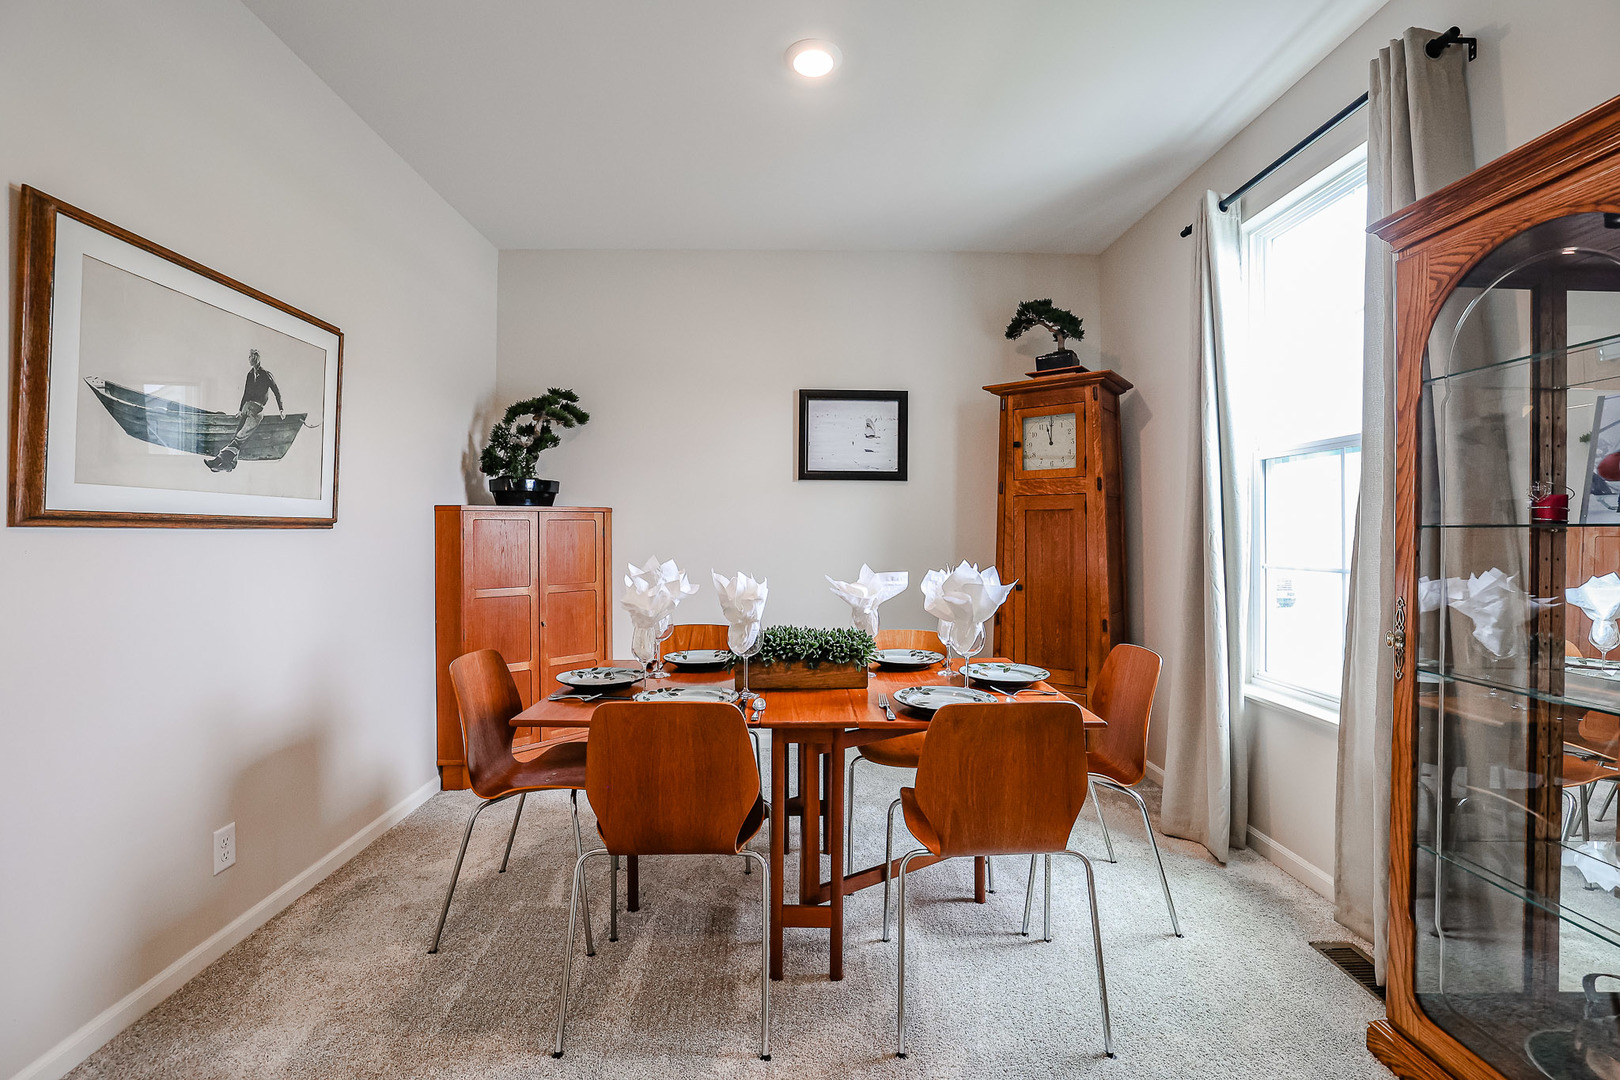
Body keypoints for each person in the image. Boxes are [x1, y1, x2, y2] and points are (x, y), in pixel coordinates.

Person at [206, 349, 284, 473]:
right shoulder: (249, 374)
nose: (250, 360)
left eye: (252, 358)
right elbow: (246, 393)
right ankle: (229, 465)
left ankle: (219, 460)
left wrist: (281, 409)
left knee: (238, 438)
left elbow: (276, 391)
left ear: (257, 359)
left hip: (257, 409)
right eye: (249, 358)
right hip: (246, 408)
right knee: (237, 438)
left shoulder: (266, 374)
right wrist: (240, 409)